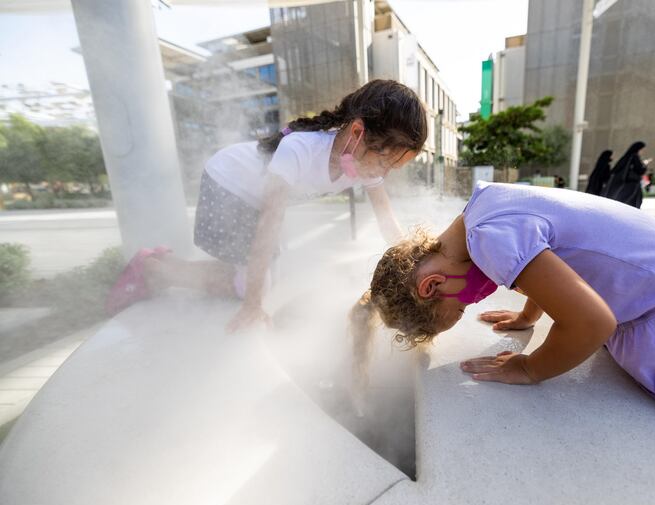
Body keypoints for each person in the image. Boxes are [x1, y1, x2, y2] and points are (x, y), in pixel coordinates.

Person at [356, 181, 655, 453]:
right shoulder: (482, 209)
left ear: (431, 286)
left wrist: (529, 367)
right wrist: (531, 312)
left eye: (461, 307)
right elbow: (556, 254)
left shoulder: (489, 239)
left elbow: (593, 323)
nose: (471, 303)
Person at [107, 79, 427, 331]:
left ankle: (165, 264)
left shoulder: (362, 161)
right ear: (357, 132)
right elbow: (268, 224)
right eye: (385, 162)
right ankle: (153, 270)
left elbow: (387, 222)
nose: (383, 173)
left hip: (250, 199)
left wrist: (414, 266)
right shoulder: (300, 149)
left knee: (257, 273)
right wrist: (252, 305)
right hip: (225, 186)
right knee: (249, 283)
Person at [603, 141, 648, 208]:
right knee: (632, 202)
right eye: (642, 149)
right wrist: (644, 164)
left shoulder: (626, 157)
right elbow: (640, 170)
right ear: (639, 149)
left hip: (623, 184)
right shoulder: (634, 156)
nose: (643, 151)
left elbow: (615, 169)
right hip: (631, 184)